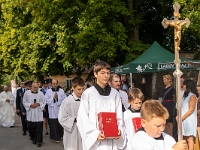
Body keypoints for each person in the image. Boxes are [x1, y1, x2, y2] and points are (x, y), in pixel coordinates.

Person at [77, 61, 126, 150]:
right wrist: (94, 134)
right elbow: (83, 118)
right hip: (96, 140)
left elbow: (119, 116)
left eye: (108, 73)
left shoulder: (115, 94)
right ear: (95, 74)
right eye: (102, 73)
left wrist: (118, 130)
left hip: (112, 140)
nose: (106, 76)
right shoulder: (88, 94)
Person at [58, 77, 85, 150]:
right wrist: (75, 119)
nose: (81, 91)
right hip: (72, 132)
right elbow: (62, 118)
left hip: (84, 131)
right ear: (73, 88)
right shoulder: (67, 102)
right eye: (79, 89)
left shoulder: (86, 100)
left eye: (83, 89)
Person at [23, 82, 46, 147]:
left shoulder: (41, 94)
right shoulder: (27, 93)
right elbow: (24, 102)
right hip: (30, 113)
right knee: (31, 128)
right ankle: (34, 139)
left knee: (39, 128)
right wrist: (30, 105)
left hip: (38, 113)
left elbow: (44, 102)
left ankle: (39, 141)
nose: (36, 89)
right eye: (34, 87)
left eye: (37, 87)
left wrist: (39, 104)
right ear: (31, 87)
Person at [45, 79, 66, 143]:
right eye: (53, 84)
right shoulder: (48, 91)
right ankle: (56, 137)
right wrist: (53, 98)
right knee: (54, 124)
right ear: (51, 84)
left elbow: (65, 99)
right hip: (52, 111)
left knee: (60, 124)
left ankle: (61, 135)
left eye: (56, 83)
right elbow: (46, 100)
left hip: (59, 109)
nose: (55, 85)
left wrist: (58, 99)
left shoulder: (61, 91)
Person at [181, 80, 198, 150]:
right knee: (184, 138)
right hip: (184, 119)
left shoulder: (192, 96)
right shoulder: (185, 96)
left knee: (189, 138)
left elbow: (191, 110)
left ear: (188, 86)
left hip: (189, 120)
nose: (183, 86)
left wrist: (181, 118)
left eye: (184, 85)